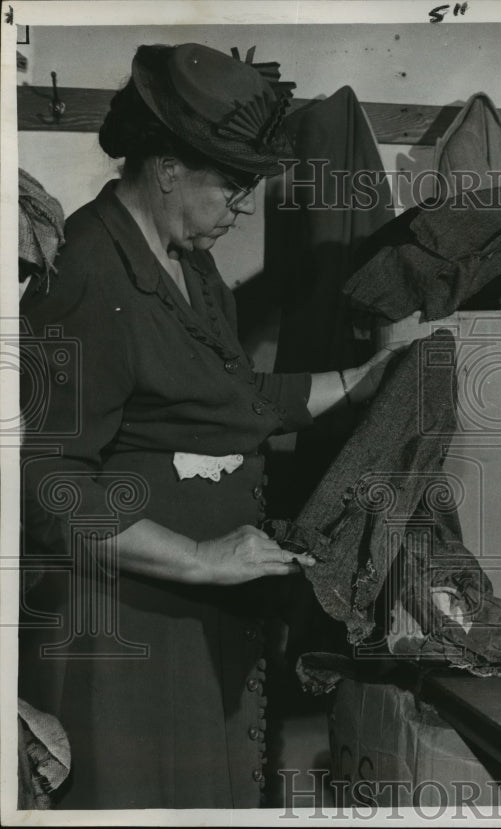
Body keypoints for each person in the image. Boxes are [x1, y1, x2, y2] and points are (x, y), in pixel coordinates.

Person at [18, 43, 397, 809]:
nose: (242, 207)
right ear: (165, 168)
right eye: (232, 185)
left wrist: (366, 379)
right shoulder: (88, 276)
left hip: (203, 616)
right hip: (126, 635)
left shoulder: (189, 265)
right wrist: (197, 553)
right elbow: (49, 489)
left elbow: (231, 392)